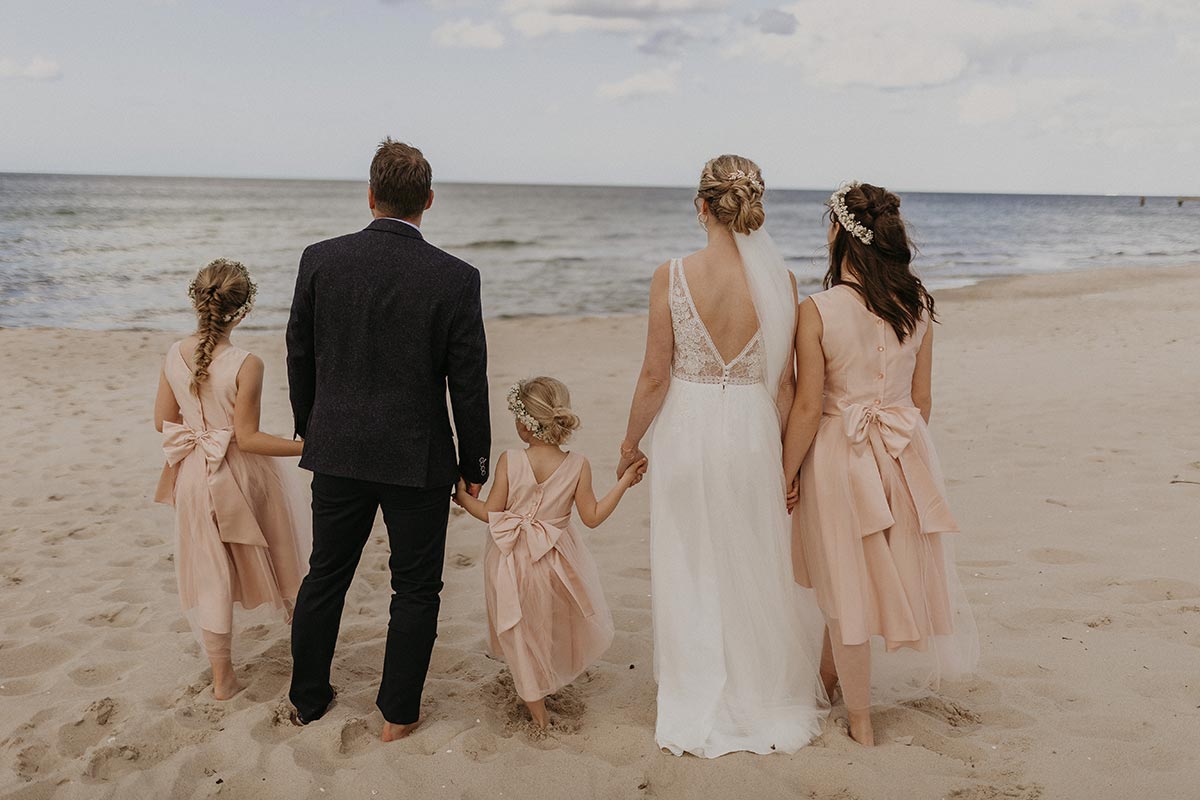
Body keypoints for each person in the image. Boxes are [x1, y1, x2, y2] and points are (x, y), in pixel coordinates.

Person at [618, 155, 828, 757]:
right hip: (754, 431)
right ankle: (757, 691)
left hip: (688, 426)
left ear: (702, 205)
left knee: (689, 559)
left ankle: (695, 691)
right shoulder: (782, 282)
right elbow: (786, 387)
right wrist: (786, 470)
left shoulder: (673, 275)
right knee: (751, 558)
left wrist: (631, 442)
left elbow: (656, 373)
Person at [285, 139, 490, 742]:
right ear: (429, 200)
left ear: (371, 196)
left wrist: (310, 426)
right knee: (416, 588)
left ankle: (307, 699)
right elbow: (468, 381)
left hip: (339, 447)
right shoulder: (456, 278)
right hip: (418, 455)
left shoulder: (320, 260)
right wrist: (473, 461)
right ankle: (398, 715)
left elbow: (299, 352)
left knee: (326, 574)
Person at [784, 182, 979, 746]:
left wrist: (788, 471)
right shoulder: (914, 302)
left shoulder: (816, 310)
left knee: (844, 580)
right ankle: (829, 679)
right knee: (854, 573)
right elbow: (922, 401)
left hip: (837, 455)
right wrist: (904, 454)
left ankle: (862, 723)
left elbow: (805, 404)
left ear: (841, 233)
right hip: (901, 450)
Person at [153, 258, 311, 701]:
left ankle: (223, 680)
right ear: (244, 311)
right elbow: (249, 438)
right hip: (242, 475)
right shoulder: (247, 363)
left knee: (211, 574)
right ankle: (308, 660)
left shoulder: (173, 354)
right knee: (285, 559)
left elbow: (162, 420)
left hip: (192, 476)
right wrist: (309, 448)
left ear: (196, 301)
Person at [454, 377, 642, 729]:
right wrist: (624, 482)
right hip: (555, 563)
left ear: (524, 424)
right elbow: (593, 516)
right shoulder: (578, 464)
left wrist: (464, 498)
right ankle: (545, 681)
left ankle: (538, 714)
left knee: (519, 632)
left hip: (510, 560)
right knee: (544, 626)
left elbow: (491, 515)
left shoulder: (510, 461)